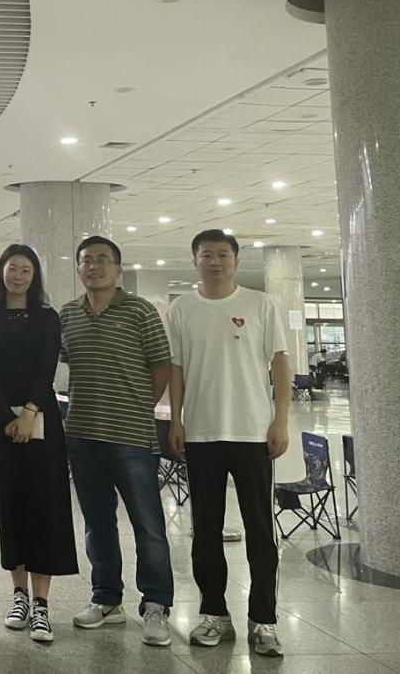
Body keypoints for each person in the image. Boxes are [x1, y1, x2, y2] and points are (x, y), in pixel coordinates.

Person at [167, 229, 291, 658]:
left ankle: (264, 620)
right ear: (195, 262)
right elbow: (176, 369)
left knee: (260, 530)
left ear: (236, 261)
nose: (215, 261)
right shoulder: (181, 308)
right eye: (207, 255)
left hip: (252, 433)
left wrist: (280, 420)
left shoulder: (260, 304)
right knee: (205, 530)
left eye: (223, 254)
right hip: (201, 433)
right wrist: (177, 420)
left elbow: (280, 364)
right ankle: (214, 613)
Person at [60, 236, 174, 646]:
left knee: (148, 525)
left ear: (118, 269)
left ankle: (156, 604)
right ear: (78, 269)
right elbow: (66, 364)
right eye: (87, 261)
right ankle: (107, 599)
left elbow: (162, 365)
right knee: (97, 524)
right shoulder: (68, 314)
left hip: (131, 437)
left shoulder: (140, 310)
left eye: (103, 260)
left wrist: (140, 406)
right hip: (82, 435)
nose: (94, 266)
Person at [0, 243, 78, 643]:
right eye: (12, 268)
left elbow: (46, 367)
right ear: (1, 272)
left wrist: (30, 412)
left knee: (43, 508)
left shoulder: (47, 317)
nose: (18, 276)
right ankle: (18, 595)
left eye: (26, 270)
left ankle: (42, 604)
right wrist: (6, 418)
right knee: (10, 508)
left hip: (41, 420)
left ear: (34, 277)